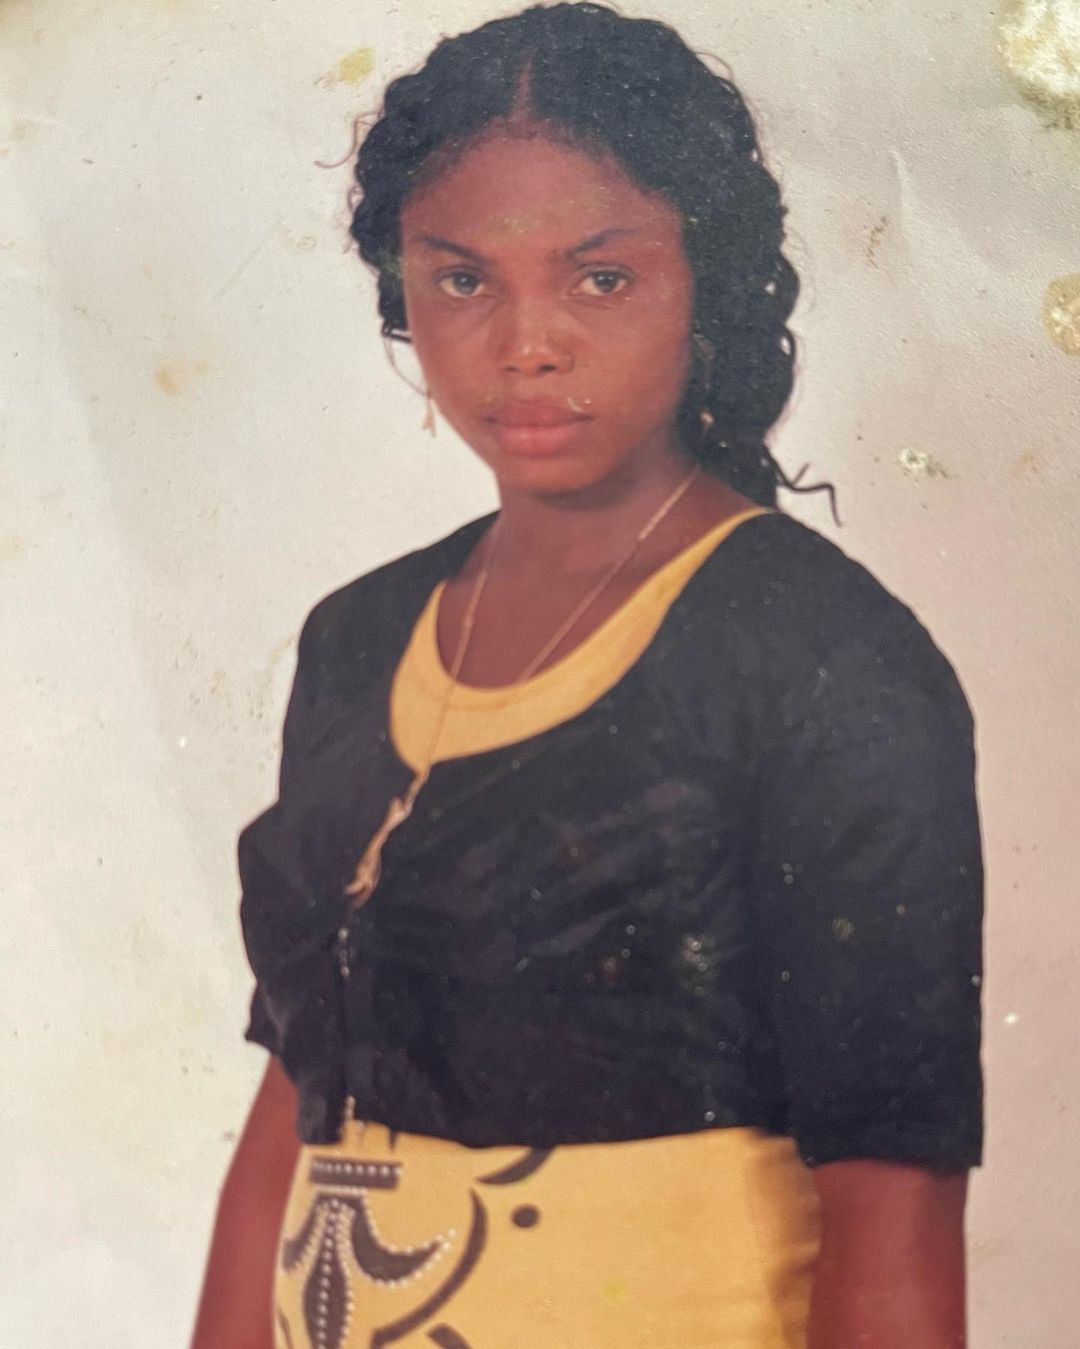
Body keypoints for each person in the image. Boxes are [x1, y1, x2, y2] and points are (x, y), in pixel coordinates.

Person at [191, 5, 984, 1347]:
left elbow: (891, 1204)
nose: (526, 343)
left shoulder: (821, 656)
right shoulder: (357, 637)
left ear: (706, 284)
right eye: (462, 280)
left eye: (600, 278)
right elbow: (295, 1103)